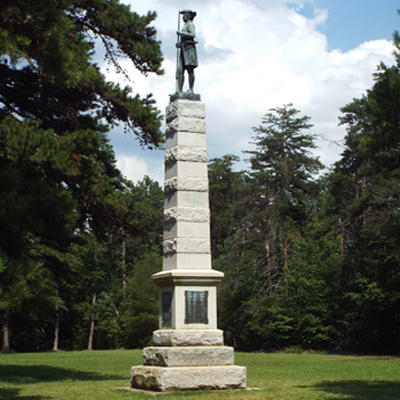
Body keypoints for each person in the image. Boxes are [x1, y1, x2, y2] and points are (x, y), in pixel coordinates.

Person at [176, 10, 198, 93]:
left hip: (189, 49)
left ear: (188, 16)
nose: (182, 17)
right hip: (183, 49)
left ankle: (191, 89)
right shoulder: (185, 25)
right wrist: (179, 43)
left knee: (190, 70)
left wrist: (181, 33)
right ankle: (179, 90)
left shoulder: (190, 24)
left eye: (184, 15)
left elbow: (192, 34)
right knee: (180, 70)